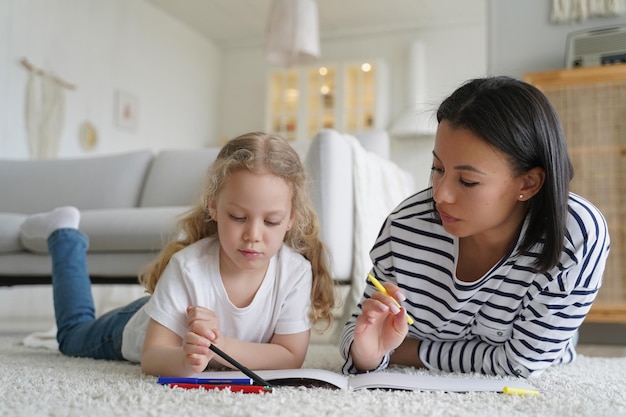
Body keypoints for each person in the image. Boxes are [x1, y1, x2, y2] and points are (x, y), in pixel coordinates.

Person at [340, 76, 610, 379]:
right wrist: (368, 353)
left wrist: (407, 351)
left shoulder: (574, 234)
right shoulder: (404, 229)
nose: (440, 195)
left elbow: (521, 363)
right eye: (437, 169)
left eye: (467, 181)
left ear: (529, 183)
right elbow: (359, 334)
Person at [20, 132, 335, 377]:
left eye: (271, 221)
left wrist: (219, 347)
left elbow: (290, 355)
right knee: (73, 336)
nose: (253, 235)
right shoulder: (188, 266)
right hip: (135, 327)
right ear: (214, 206)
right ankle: (64, 235)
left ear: (291, 218)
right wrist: (186, 359)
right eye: (238, 217)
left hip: (171, 311)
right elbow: (153, 354)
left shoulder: (295, 272)